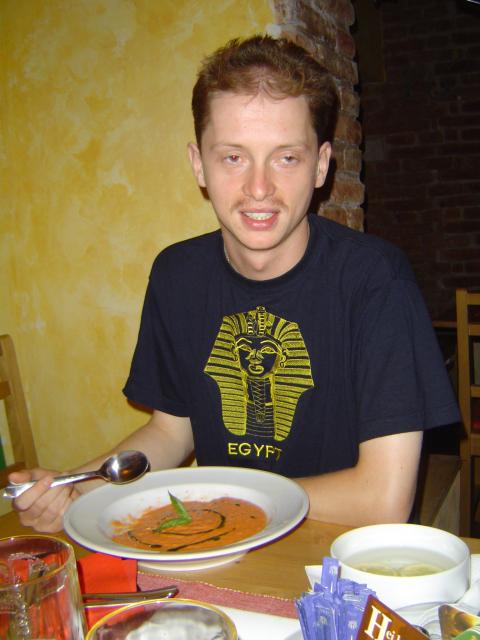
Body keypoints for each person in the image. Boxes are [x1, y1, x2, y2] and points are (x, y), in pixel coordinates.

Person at [10, 35, 459, 533]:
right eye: (233, 158)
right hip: (222, 540)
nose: (259, 188)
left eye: (286, 158)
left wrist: (219, 499)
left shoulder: (376, 279)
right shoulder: (177, 274)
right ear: (198, 164)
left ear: (321, 165)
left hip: (335, 550)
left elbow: (383, 500)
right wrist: (78, 489)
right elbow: (171, 431)